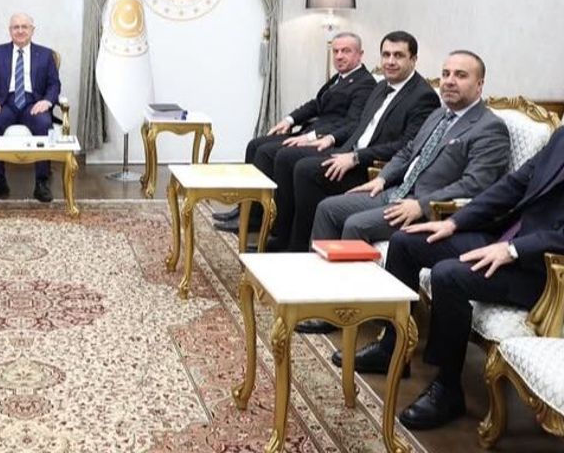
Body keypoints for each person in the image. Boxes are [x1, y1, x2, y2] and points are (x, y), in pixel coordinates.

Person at [339, 59, 564, 430]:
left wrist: (512, 250)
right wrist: (454, 221)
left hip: (557, 271)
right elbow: (513, 185)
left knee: (449, 275)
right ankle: (391, 346)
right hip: (510, 240)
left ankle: (447, 389)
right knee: (407, 241)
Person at [297, 50, 510, 334]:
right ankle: (324, 300)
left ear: (480, 84)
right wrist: (383, 179)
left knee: (355, 225)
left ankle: (353, 314)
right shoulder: (439, 114)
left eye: (460, 75)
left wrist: (422, 204)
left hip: (427, 209)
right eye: (446, 74)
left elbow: (474, 185)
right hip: (396, 191)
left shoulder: (489, 127)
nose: (449, 81)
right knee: (328, 208)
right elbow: (409, 151)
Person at [268, 30, 438, 252]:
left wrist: (355, 157)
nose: (390, 61)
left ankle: (298, 248)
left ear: (413, 59)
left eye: (398, 55)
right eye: (386, 55)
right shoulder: (381, 86)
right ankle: (284, 236)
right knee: (290, 157)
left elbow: (406, 146)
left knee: (306, 170)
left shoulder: (423, 96)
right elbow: (359, 125)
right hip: (349, 151)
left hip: (371, 166)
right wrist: (332, 141)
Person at [214, 32, 375, 235]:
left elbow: (351, 123)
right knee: (255, 145)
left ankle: (262, 220)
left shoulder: (365, 83)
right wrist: (289, 120)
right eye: (335, 51)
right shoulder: (339, 78)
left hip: (329, 141)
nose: (339, 56)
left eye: (346, 51)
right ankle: (246, 210)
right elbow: (316, 104)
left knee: (269, 152)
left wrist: (311, 137)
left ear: (360, 54)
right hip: (311, 131)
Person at [0, 12, 61, 202]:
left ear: (32, 30)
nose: (20, 31)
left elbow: (54, 85)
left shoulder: (45, 54)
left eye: (25, 27)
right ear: (10, 31)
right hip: (4, 103)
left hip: (33, 103)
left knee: (43, 123)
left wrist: (47, 101)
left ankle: (42, 181)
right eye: (16, 27)